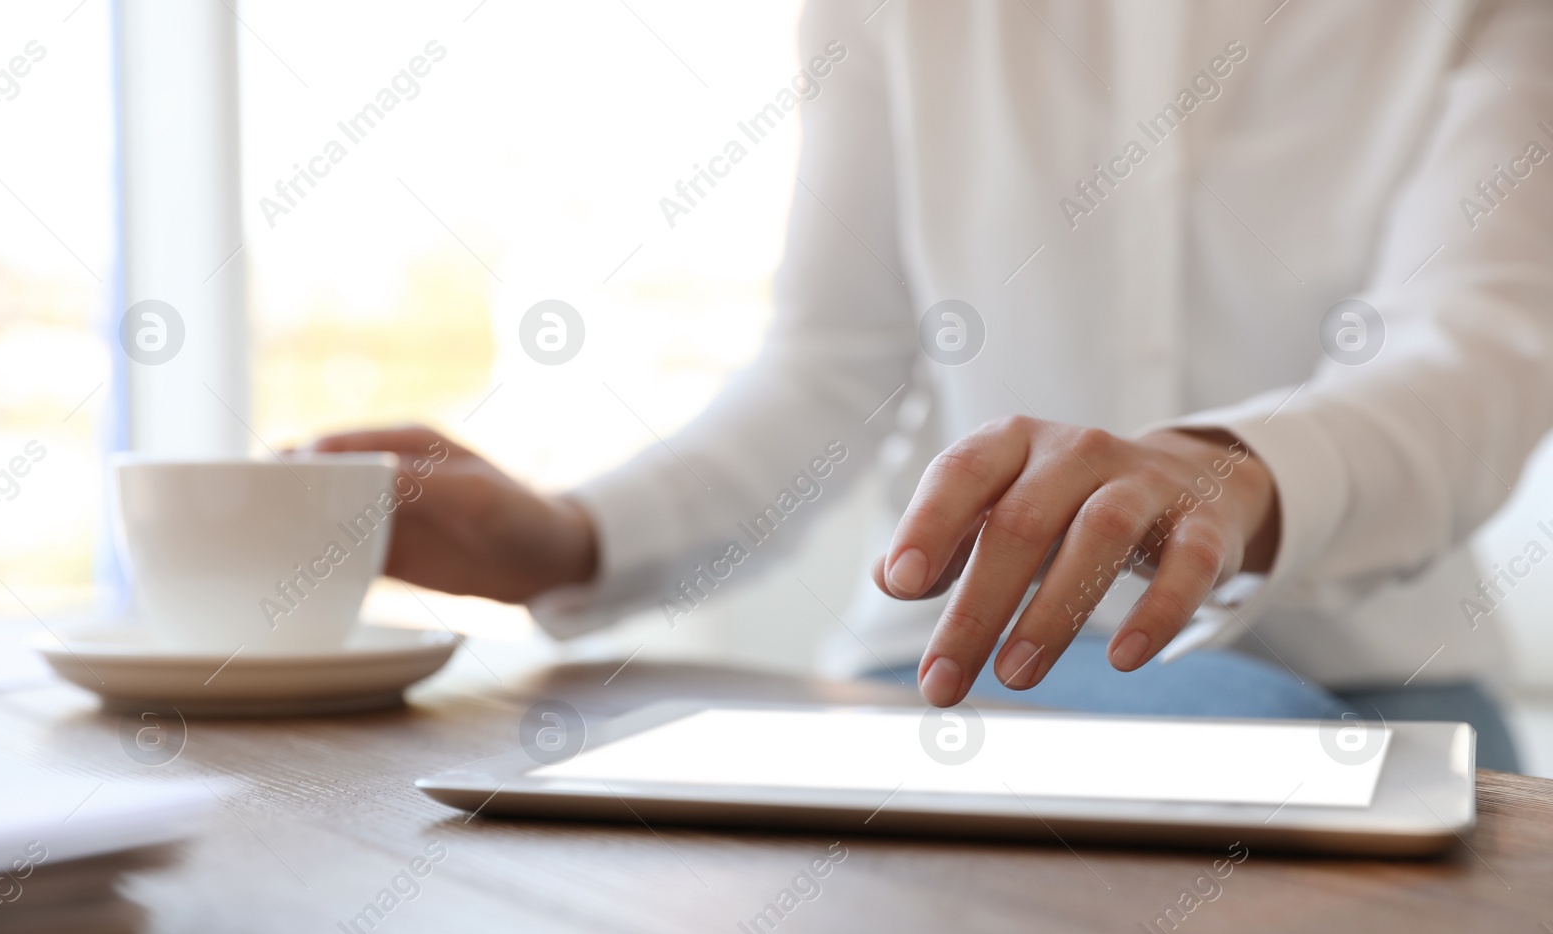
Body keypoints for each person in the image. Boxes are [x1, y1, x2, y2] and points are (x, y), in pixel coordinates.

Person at [317, 0, 1553, 772]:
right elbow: (830, 369)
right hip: (960, 659)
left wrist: (1221, 467)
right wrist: (572, 540)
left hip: (1379, 681)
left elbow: (1470, 355)